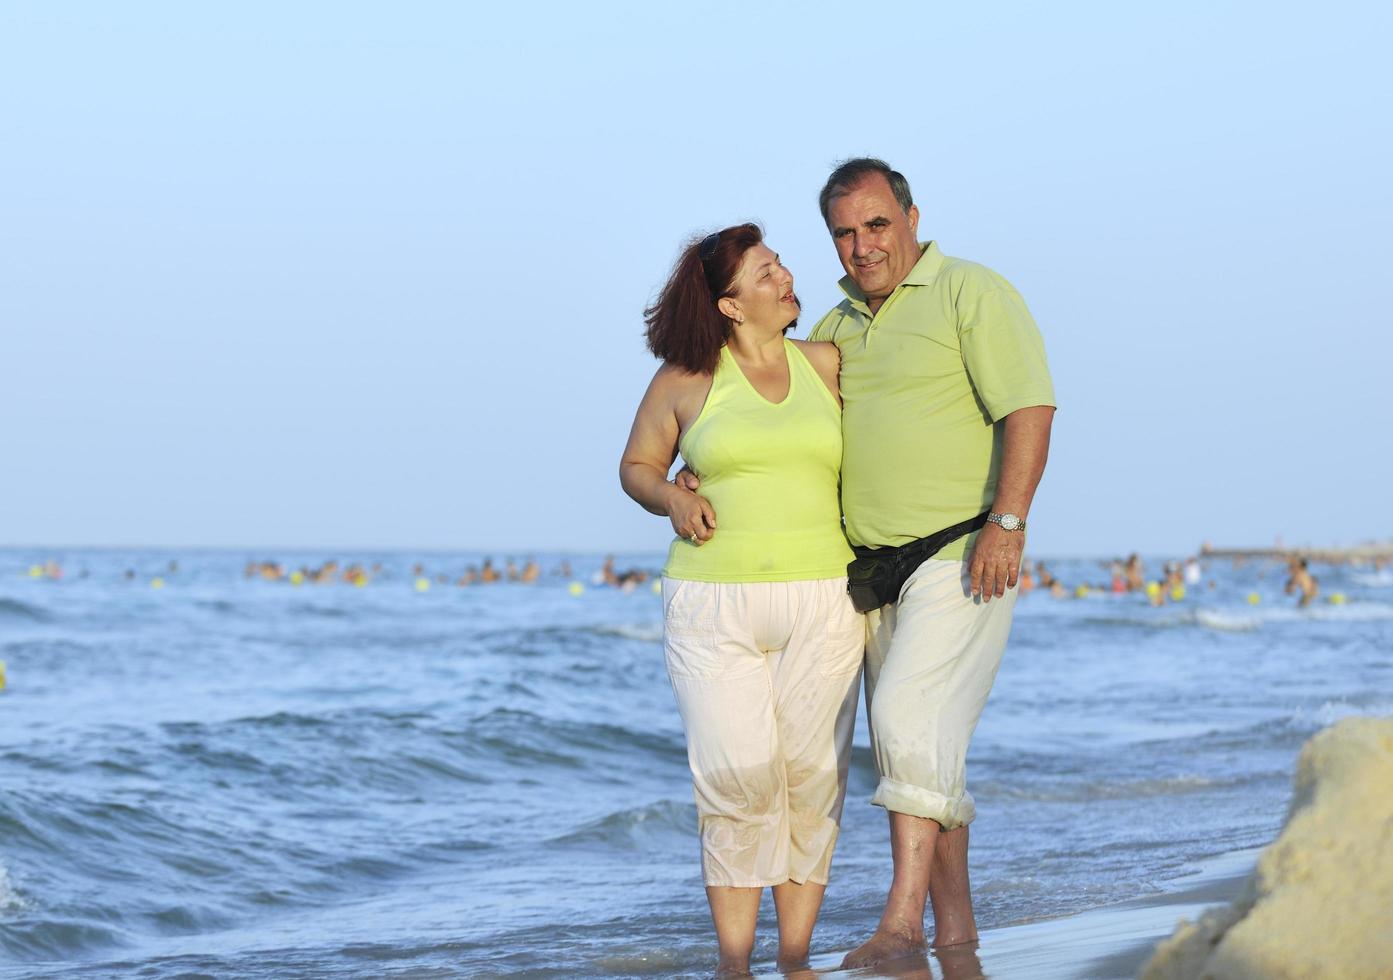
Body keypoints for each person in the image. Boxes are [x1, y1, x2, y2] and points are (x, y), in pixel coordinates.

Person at [681, 159, 1055, 966]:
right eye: (844, 233)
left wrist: (1009, 520)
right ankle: (955, 935)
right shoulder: (838, 330)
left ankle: (898, 929)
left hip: (962, 548)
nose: (863, 246)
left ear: (912, 217)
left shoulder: (972, 294)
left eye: (876, 224)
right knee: (916, 752)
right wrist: (697, 465)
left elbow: (1029, 404)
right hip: (868, 570)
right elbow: (767, 403)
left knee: (905, 723)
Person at [620, 223, 864, 977]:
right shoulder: (683, 380)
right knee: (734, 782)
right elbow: (635, 466)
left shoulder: (825, 364)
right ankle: (734, 965)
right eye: (765, 273)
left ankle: (794, 960)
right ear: (728, 305)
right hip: (710, 603)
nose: (785, 276)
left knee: (812, 780)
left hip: (824, 597)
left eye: (780, 265)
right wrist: (669, 496)